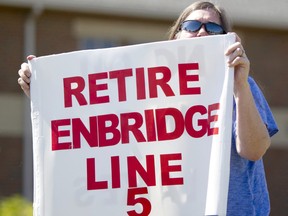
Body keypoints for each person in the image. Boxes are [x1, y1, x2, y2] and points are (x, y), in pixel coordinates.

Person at [18, 1, 278, 215]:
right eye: (192, 25)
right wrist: (46, 93)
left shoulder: (240, 84)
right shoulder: (148, 93)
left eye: (213, 27)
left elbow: (253, 150)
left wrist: (240, 85)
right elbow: (103, 139)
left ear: (226, 39)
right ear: (176, 36)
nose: (202, 32)